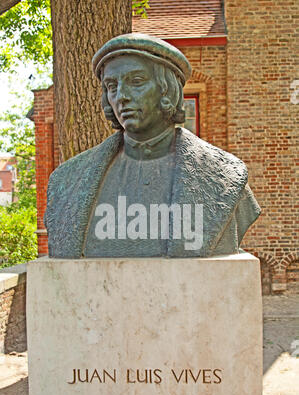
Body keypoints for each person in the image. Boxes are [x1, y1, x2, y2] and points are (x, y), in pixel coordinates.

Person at [44, 33, 260, 258]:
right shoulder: (67, 179)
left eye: (136, 82)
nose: (121, 96)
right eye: (111, 86)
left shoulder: (225, 175)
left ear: (167, 90)